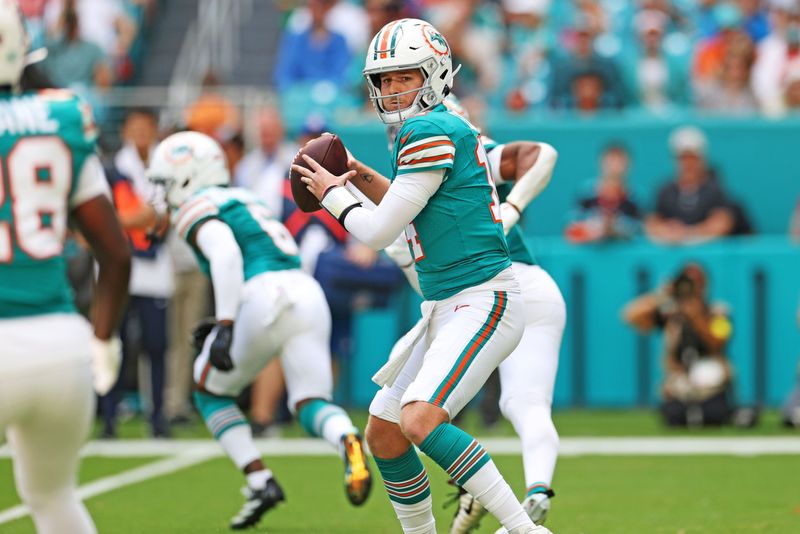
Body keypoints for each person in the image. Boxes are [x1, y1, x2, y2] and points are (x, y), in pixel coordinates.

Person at [293, 18, 548, 534]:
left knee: (419, 418)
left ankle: (525, 530)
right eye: (384, 80)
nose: (391, 89)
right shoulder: (433, 127)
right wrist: (358, 174)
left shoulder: (429, 129)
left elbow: (376, 229)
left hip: (481, 297)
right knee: (385, 434)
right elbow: (411, 205)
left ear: (431, 74)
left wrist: (331, 194)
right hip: (447, 303)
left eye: (402, 77)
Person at [146, 131, 371, 530]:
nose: (161, 194)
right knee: (309, 403)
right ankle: (347, 439)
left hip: (263, 295)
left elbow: (228, 255)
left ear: (186, 176)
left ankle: (259, 480)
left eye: (164, 183)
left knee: (208, 388)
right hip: (305, 292)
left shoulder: (197, 205)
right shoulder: (245, 196)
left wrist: (228, 323)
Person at [376, 94, 564, 532]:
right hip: (502, 291)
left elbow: (540, 154)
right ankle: (534, 490)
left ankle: (515, 519)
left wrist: (509, 212)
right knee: (518, 404)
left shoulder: (452, 143)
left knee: (421, 414)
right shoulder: (430, 154)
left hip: (488, 290)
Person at [0, 3, 130, 533]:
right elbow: (115, 253)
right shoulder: (62, 117)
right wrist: (102, 340)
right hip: (62, 348)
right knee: (54, 499)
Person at [623, 263, 734, 427]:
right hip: (679, 385)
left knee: (715, 411)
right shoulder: (671, 313)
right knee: (673, 415)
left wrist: (696, 317)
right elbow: (630, 316)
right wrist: (661, 295)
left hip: (711, 386)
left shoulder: (718, 311)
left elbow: (718, 342)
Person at [565, 143, 641, 243]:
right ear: (601, 163)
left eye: (620, 162)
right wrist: (594, 229)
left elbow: (641, 231)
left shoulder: (634, 197)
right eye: (611, 161)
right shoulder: (585, 193)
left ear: (628, 165)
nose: (615, 167)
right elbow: (571, 228)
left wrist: (616, 228)